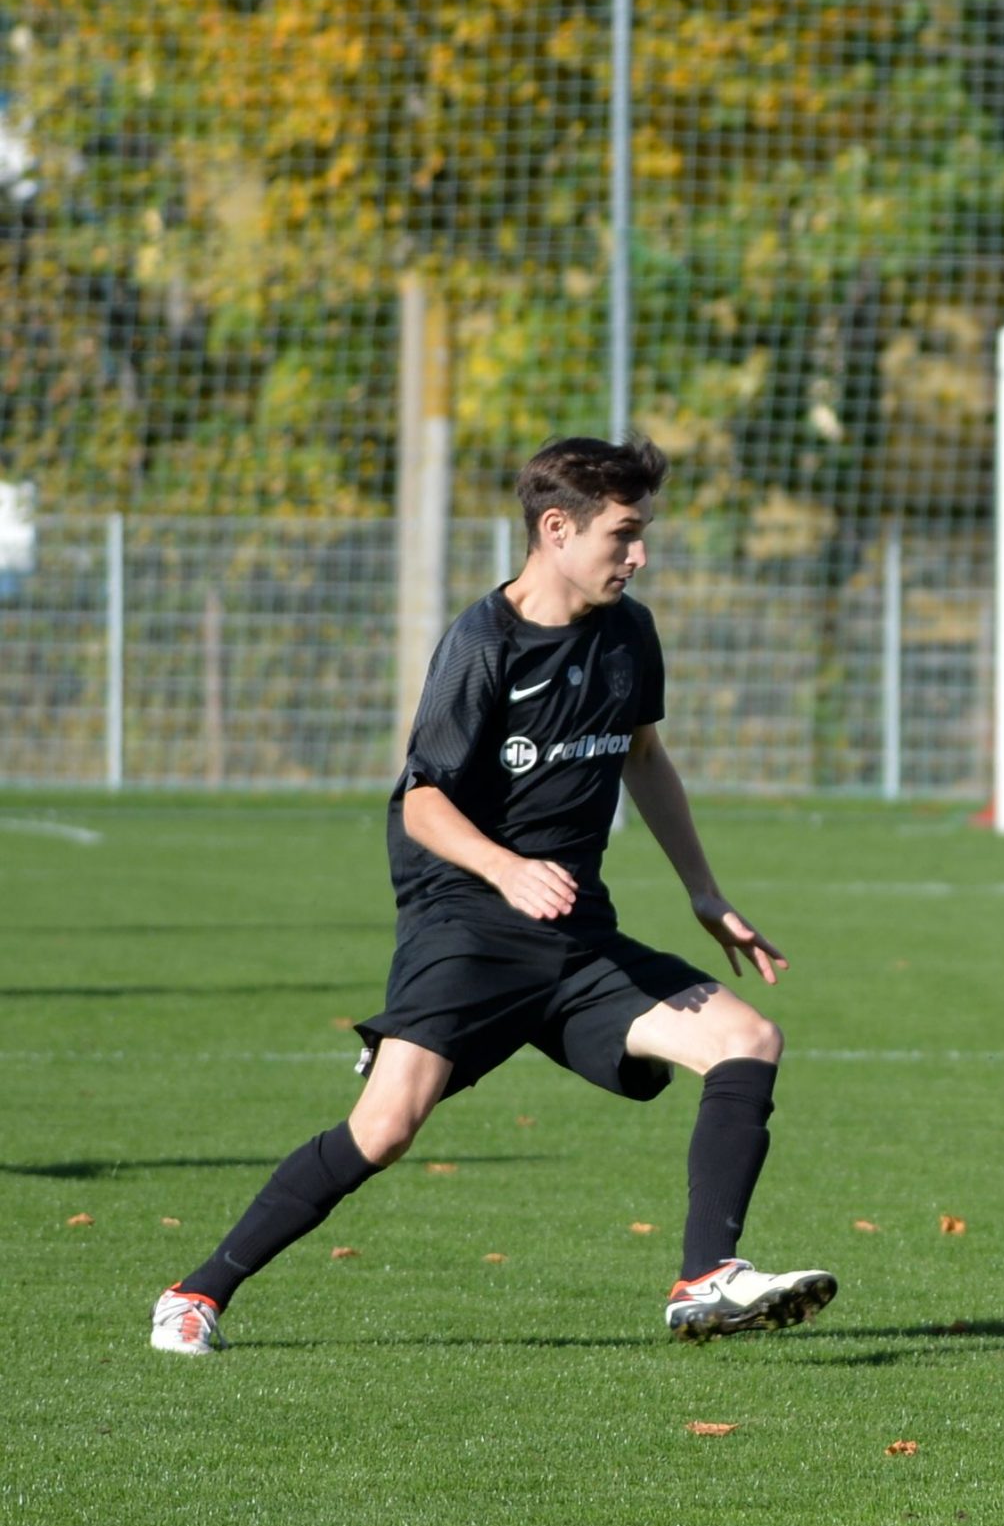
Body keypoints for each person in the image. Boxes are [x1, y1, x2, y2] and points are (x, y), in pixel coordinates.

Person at [150, 436, 834, 1353]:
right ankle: (196, 1293)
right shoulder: (483, 645)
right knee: (385, 1129)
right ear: (557, 529)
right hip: (466, 931)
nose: (640, 555)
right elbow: (422, 800)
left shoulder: (629, 633)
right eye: (623, 534)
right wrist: (505, 867)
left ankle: (705, 1277)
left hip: (577, 936)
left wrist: (705, 893)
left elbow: (644, 756)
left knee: (747, 1039)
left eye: (644, 533)